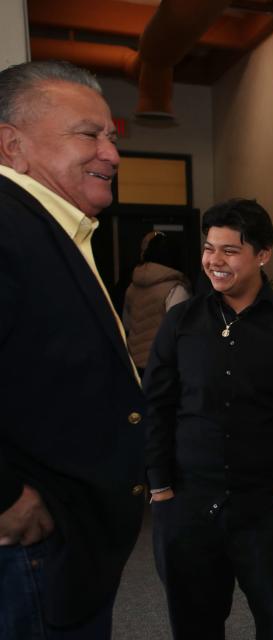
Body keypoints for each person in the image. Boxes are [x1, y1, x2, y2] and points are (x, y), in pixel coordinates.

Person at [144, 199, 273, 640]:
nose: (215, 261)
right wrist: (160, 486)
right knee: (194, 627)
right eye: (210, 249)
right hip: (189, 505)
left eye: (230, 250)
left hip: (270, 508)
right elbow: (156, 404)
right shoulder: (181, 322)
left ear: (263, 254)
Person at [0, 60, 145, 638]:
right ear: (13, 144)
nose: (111, 153)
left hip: (62, 548)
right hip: (29, 551)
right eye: (88, 134)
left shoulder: (48, 226)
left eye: (110, 136)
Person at [123, 230, 191, 376]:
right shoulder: (176, 289)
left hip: (134, 362)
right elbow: (179, 332)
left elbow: (127, 324)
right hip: (162, 365)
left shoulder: (132, 286)